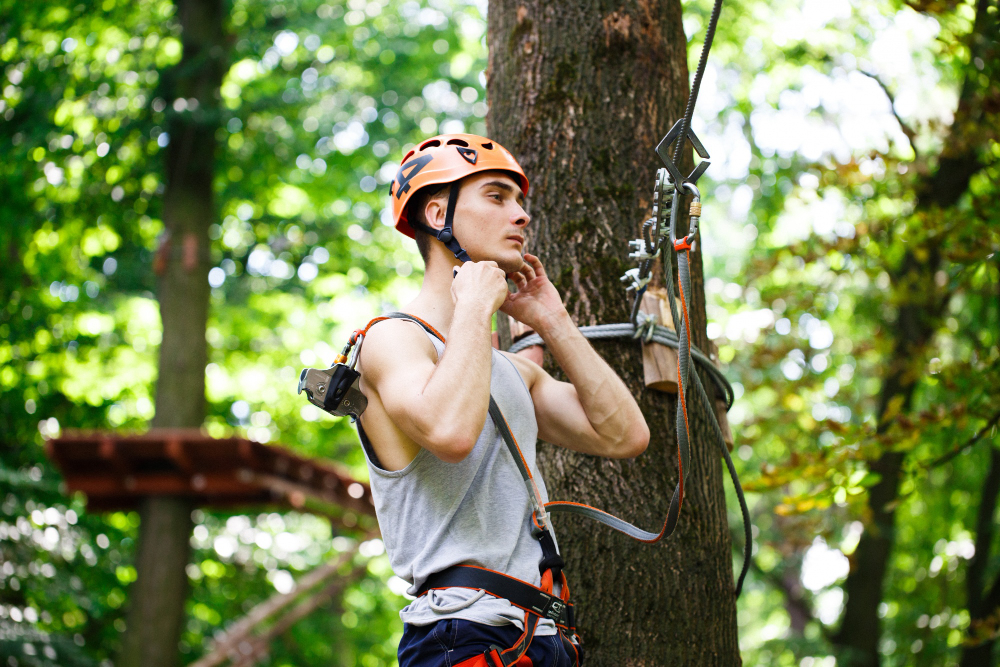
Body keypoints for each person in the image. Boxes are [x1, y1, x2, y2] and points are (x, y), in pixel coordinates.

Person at [356, 133, 649, 667]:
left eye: (520, 202)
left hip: (544, 638)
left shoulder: (511, 371)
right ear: (438, 211)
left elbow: (624, 435)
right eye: (496, 196)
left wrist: (551, 320)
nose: (520, 216)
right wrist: (472, 306)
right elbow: (449, 434)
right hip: (460, 633)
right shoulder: (391, 339)